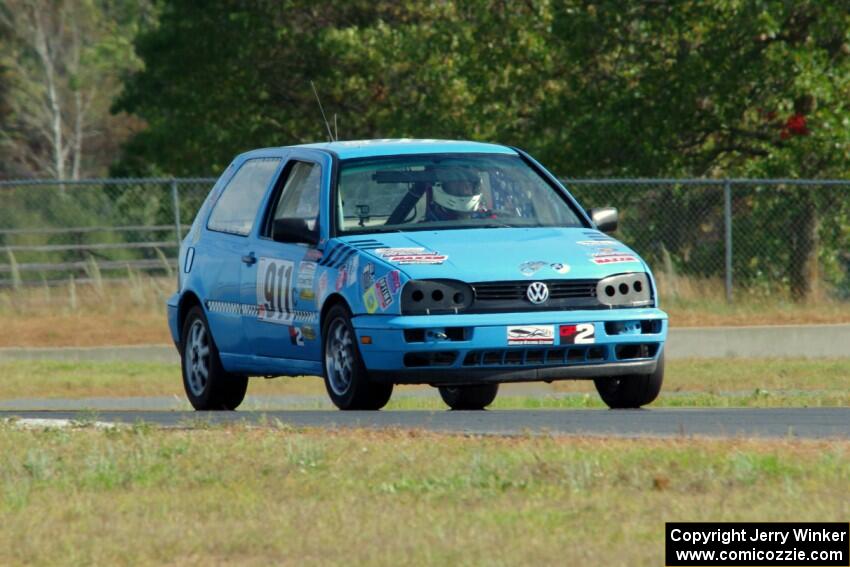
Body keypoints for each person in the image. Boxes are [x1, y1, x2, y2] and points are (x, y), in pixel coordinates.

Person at [424, 168, 492, 221]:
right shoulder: (429, 227)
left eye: (470, 182)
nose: (466, 187)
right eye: (459, 181)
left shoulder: (490, 222)